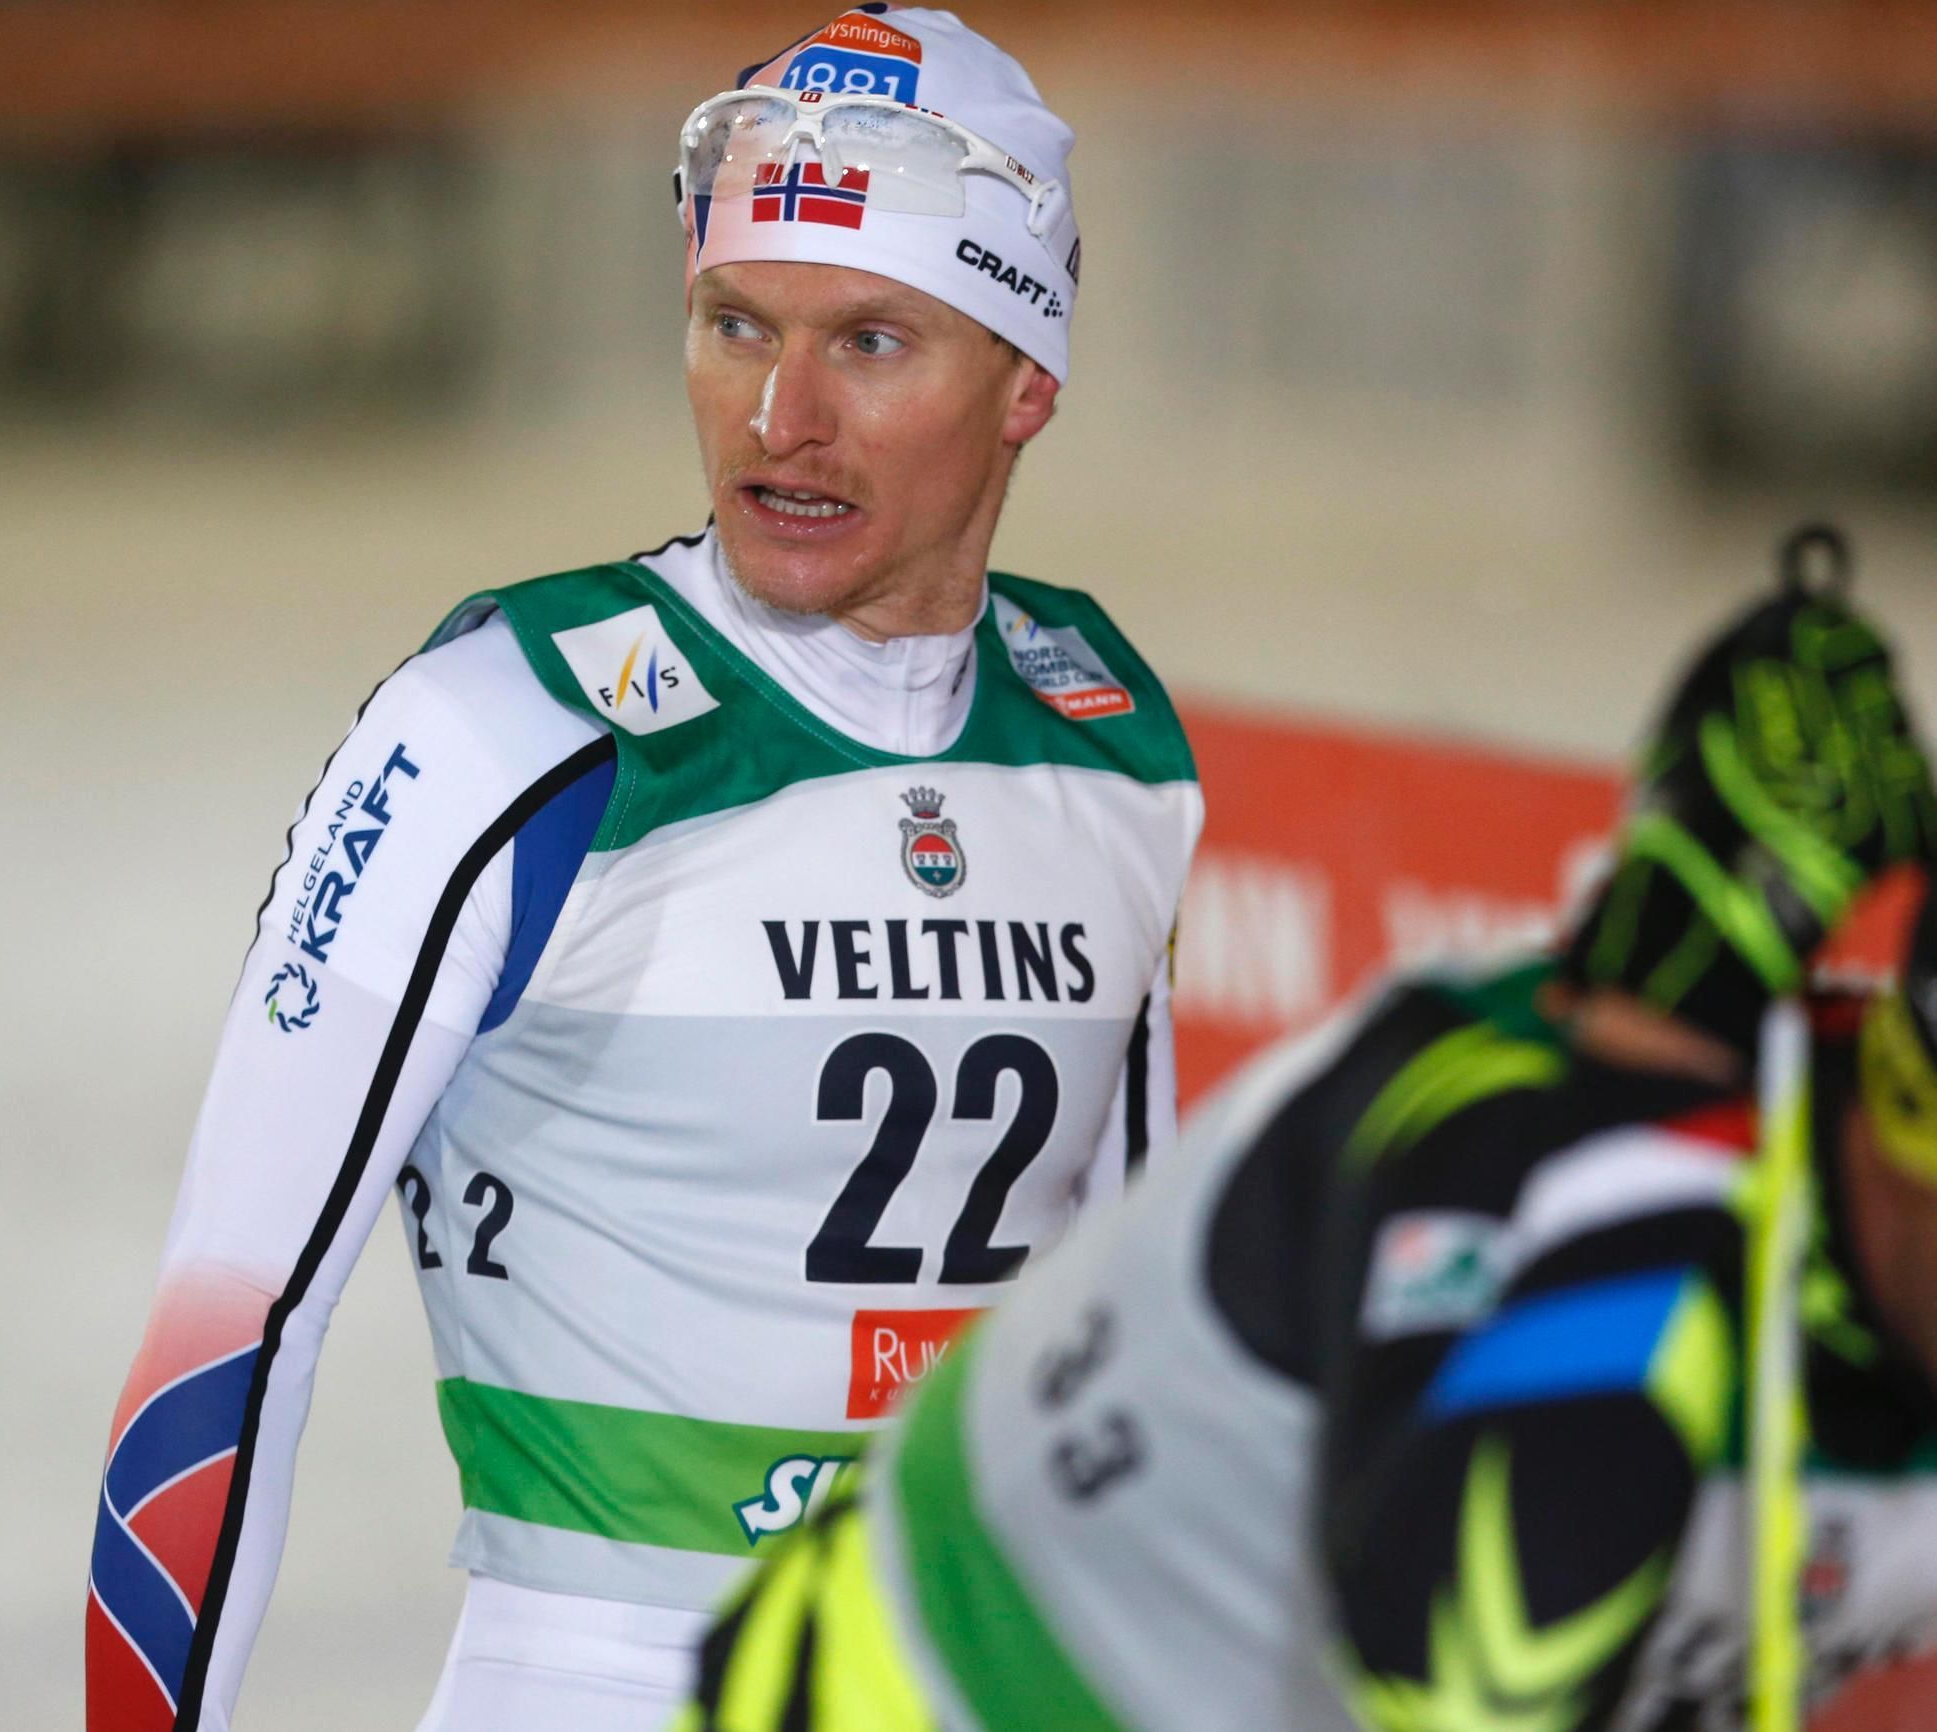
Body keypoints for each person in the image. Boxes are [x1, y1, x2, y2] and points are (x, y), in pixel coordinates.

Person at [85, 11, 1201, 1732]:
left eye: (870, 341)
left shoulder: (1108, 734)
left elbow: (1125, 1366)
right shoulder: (504, 725)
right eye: (733, 323)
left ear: (1024, 382)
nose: (779, 415)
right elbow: (224, 1338)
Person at [681, 541, 1937, 1732]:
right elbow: (1481, 1678)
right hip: (940, 1693)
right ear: (1900, 1122)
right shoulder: (1496, 1115)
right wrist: (1663, 1054)